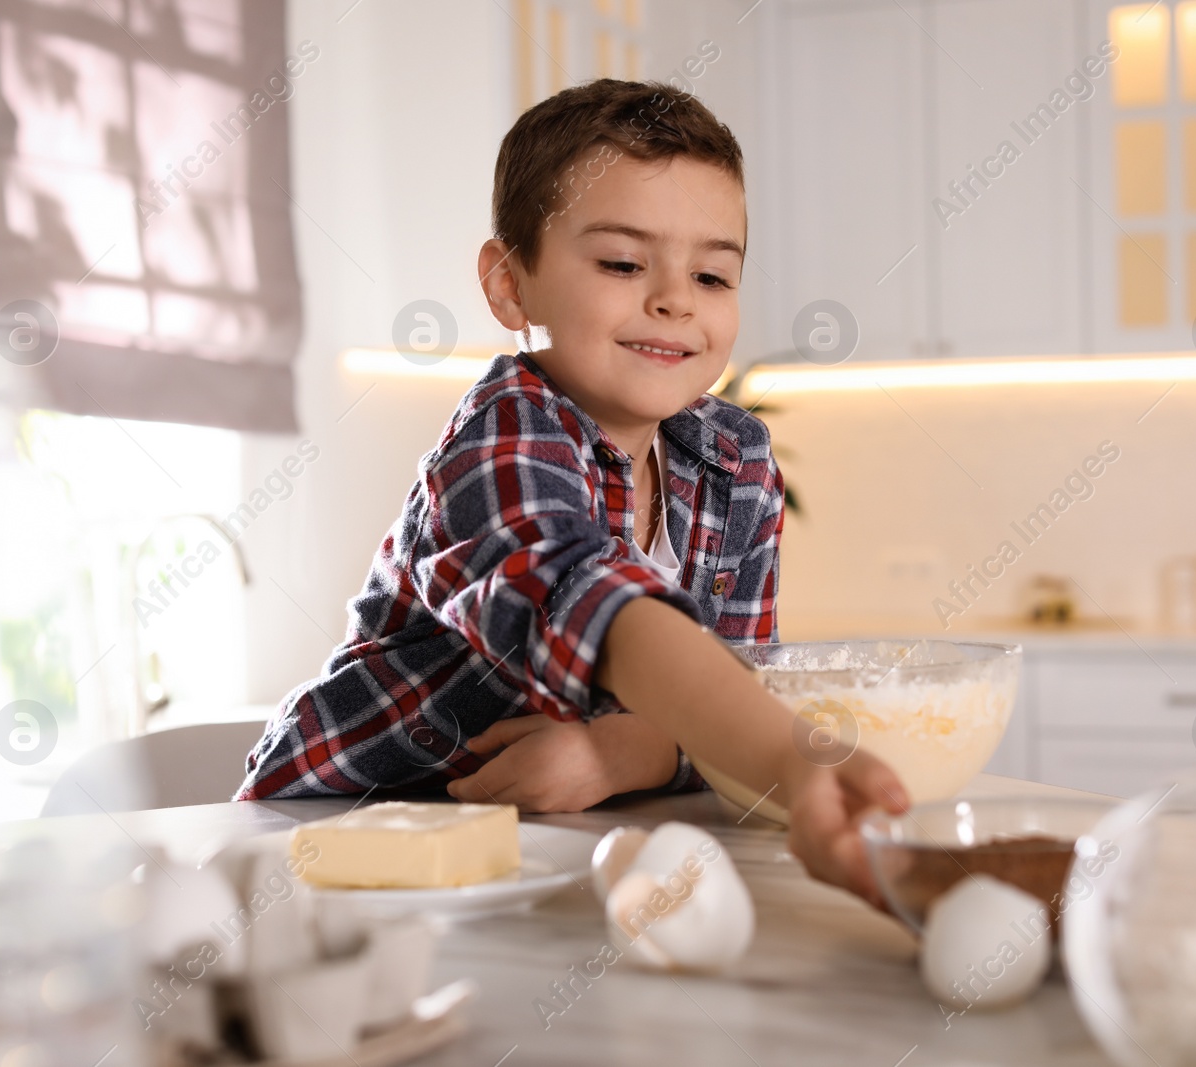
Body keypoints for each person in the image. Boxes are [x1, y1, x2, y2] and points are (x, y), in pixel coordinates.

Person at [236, 79, 906, 906]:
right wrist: (788, 754)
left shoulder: (738, 461)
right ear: (510, 283)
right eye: (623, 263)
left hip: (553, 854)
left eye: (712, 275)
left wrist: (632, 752)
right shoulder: (501, 437)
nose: (673, 300)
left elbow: (735, 688)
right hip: (332, 847)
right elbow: (588, 600)